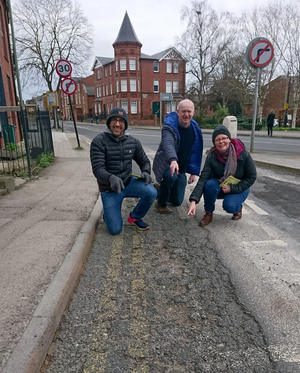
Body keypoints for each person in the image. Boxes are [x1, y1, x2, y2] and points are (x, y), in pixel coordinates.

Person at [90, 107, 157, 235]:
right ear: (109, 122)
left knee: (151, 192)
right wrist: (111, 178)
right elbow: (97, 169)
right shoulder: (99, 142)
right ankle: (109, 214)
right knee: (115, 230)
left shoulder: (133, 142)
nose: (117, 124)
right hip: (110, 189)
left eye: (121, 121)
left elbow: (144, 161)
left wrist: (146, 172)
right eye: (114, 120)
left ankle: (135, 216)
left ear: (125, 124)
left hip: (128, 182)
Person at [187, 125, 257, 227]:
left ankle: (238, 208)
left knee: (229, 206)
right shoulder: (212, 156)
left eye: (224, 138)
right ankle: (208, 213)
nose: (221, 141)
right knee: (209, 184)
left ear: (229, 139)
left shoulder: (242, 154)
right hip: (221, 186)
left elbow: (252, 176)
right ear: (214, 143)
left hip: (240, 187)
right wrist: (193, 200)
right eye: (217, 140)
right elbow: (203, 178)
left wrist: (232, 189)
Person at [153, 99, 203, 214]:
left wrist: (193, 172)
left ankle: (160, 190)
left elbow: (195, 151)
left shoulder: (195, 130)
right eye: (183, 111)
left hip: (181, 169)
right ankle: (161, 204)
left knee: (177, 201)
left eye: (189, 111)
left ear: (193, 113)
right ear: (178, 112)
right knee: (171, 176)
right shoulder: (169, 127)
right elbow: (168, 144)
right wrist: (173, 160)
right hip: (167, 163)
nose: (186, 114)